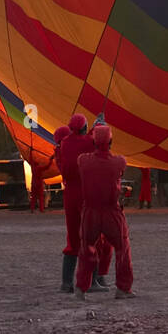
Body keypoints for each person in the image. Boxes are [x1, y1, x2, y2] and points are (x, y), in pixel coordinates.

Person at [75, 125, 134, 300]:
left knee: (86, 249)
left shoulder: (83, 160)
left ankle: (80, 289)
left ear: (93, 141)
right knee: (122, 248)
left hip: (90, 212)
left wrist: (93, 128)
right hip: (111, 212)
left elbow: (84, 152)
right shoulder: (119, 162)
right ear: (111, 142)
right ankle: (123, 289)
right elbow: (120, 163)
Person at [56, 114, 111, 293]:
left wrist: (95, 126)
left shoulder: (64, 144)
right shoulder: (87, 142)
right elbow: (99, 144)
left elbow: (84, 140)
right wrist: (100, 125)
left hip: (69, 195)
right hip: (86, 193)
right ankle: (92, 281)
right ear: (83, 127)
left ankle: (66, 283)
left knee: (73, 239)